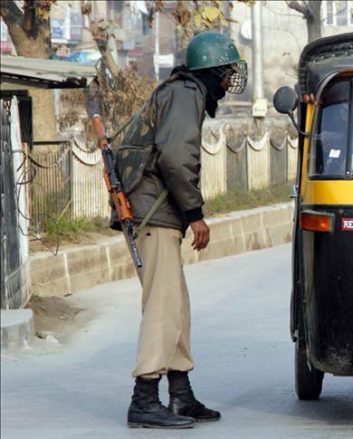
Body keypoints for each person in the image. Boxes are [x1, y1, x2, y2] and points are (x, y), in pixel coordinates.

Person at [113, 31, 247, 429]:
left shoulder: (181, 91)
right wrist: (195, 214)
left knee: (177, 307)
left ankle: (181, 394)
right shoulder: (187, 92)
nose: (228, 82)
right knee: (163, 306)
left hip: (155, 213)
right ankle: (144, 397)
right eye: (226, 74)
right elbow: (174, 156)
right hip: (153, 214)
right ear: (213, 71)